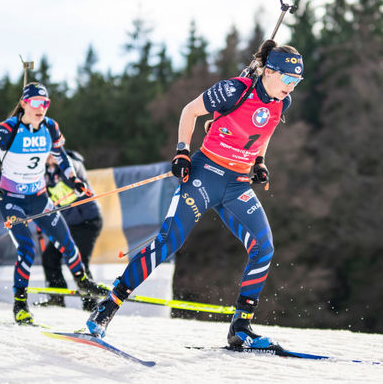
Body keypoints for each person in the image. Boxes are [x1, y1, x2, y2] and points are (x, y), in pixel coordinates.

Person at [86, 40, 304, 349]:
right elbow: (190, 111)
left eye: (296, 82)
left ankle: (240, 328)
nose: (291, 87)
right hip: (205, 175)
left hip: (237, 184)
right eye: (287, 79)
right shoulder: (235, 89)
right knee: (168, 242)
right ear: (269, 71)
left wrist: (259, 161)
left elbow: (263, 132)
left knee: (264, 247)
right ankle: (106, 308)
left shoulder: (282, 102)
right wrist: (182, 152)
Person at [0, 82, 109, 324]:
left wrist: (74, 180)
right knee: (27, 249)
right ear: (24, 104)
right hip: (13, 201)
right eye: (35, 102)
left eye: (45, 103)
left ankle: (83, 283)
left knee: (67, 241)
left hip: (39, 199)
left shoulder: (51, 127)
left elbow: (61, 156)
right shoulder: (8, 129)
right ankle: (20, 305)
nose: (40, 108)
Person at [35, 150, 103, 311]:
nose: (47, 157)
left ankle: (91, 304)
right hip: (68, 224)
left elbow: (76, 170)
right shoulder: (43, 173)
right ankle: (56, 298)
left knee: (79, 262)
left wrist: (62, 163)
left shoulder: (70, 164)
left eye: (51, 153)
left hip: (87, 222)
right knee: (50, 258)